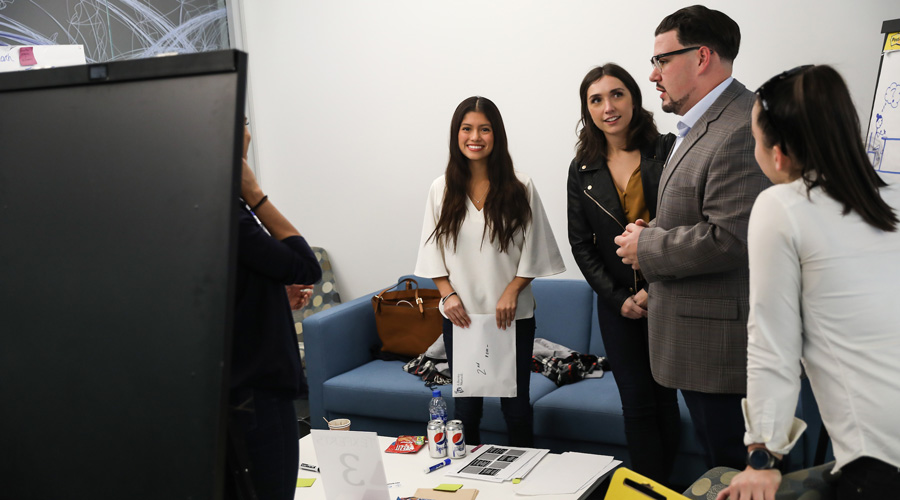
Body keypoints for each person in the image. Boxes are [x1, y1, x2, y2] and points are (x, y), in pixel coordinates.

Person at [717, 65, 900, 500]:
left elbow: (772, 344)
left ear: (778, 154)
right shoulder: (888, 201)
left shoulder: (782, 205)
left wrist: (763, 458)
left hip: (880, 458)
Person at [613, 5, 771, 470]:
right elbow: (702, 212)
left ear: (702, 57)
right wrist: (656, 231)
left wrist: (647, 247)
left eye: (662, 60)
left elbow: (731, 238)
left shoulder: (741, 126)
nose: (652, 74)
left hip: (719, 353)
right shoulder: (700, 125)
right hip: (696, 342)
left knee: (735, 473)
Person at [414, 96, 565, 446]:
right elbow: (431, 251)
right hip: (461, 317)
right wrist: (446, 295)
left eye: (484, 128)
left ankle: (522, 480)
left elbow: (536, 248)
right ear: (456, 134)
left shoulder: (520, 186)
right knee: (466, 409)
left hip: (512, 317)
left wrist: (512, 290)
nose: (475, 136)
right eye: (467, 129)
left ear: (497, 135)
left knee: (516, 406)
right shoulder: (441, 189)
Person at [566, 63, 680, 483]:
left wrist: (653, 290)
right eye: (596, 99)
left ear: (634, 98)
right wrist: (619, 299)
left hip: (667, 296)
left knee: (665, 401)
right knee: (635, 404)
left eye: (617, 94)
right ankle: (650, 489)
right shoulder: (582, 168)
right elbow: (581, 245)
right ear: (587, 109)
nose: (608, 107)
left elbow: (683, 224)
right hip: (616, 307)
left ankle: (670, 489)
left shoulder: (667, 150)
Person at [226, 120, 322, 500]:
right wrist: (254, 194)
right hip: (257, 394)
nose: (249, 130)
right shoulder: (232, 213)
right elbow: (305, 266)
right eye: (244, 122)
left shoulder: (187, 209)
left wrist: (271, 298)